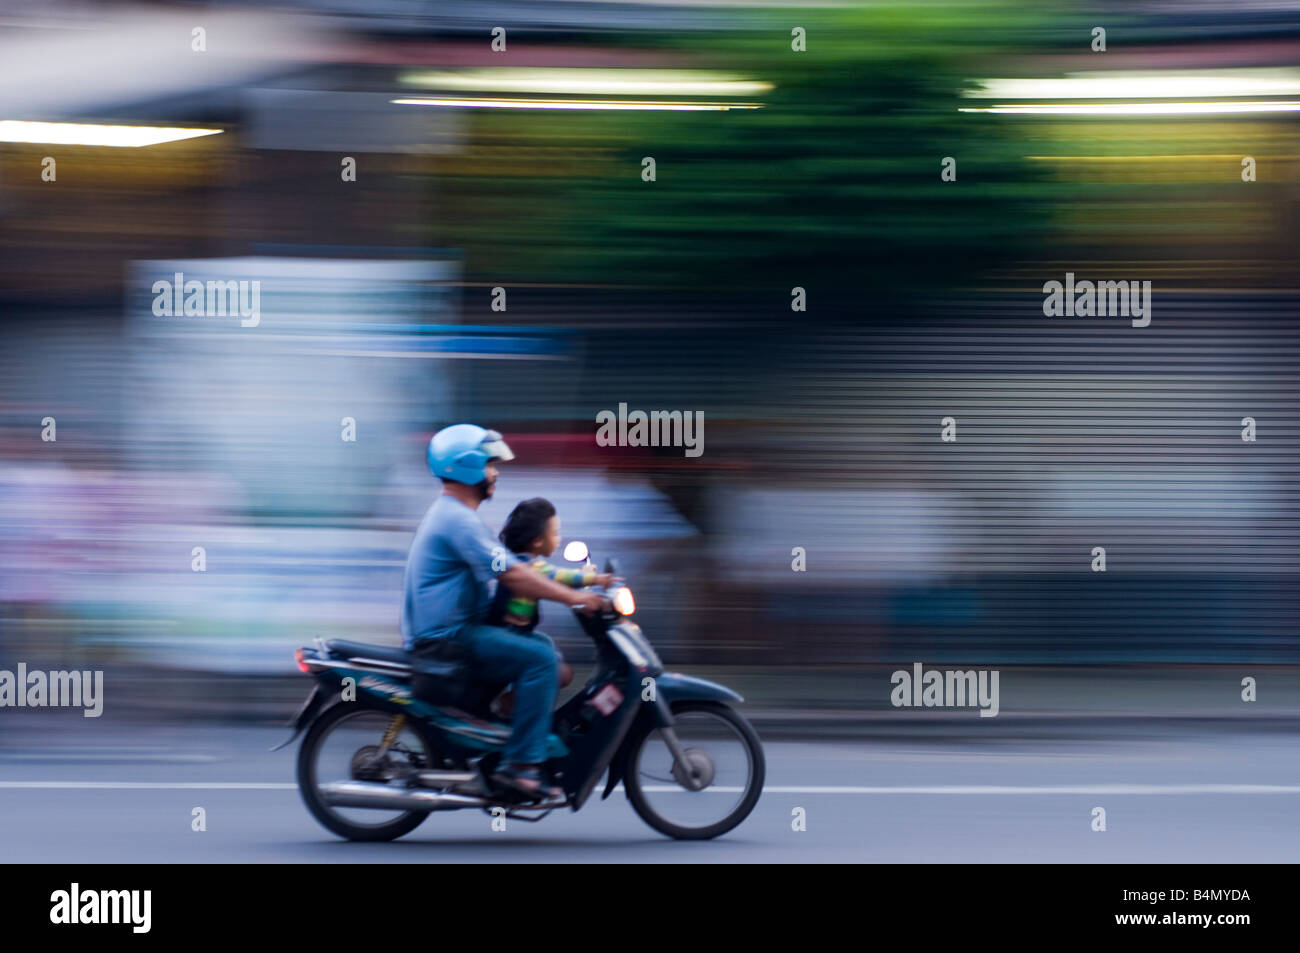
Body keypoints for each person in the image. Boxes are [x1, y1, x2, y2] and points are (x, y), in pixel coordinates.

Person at [400, 424, 607, 802]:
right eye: (490, 464)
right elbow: (514, 575)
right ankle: (522, 766)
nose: (495, 472)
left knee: (544, 649)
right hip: (448, 640)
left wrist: (583, 583)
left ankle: (506, 725)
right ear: (467, 466)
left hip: (454, 632)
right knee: (541, 659)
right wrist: (575, 598)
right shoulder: (457, 520)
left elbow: (517, 565)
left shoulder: (457, 516)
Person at [485, 498, 616, 717]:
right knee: (553, 666)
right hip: (510, 634)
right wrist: (596, 578)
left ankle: (518, 701)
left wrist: (585, 584)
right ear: (537, 541)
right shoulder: (528, 565)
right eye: (555, 533)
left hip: (516, 633)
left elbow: (552, 581)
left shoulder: (520, 561)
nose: (559, 539)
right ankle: (514, 705)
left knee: (547, 646)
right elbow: (556, 576)